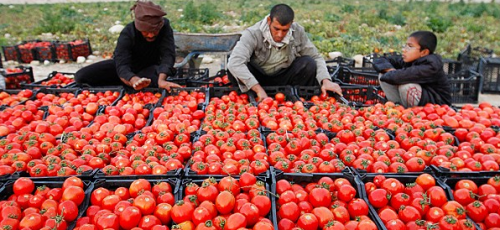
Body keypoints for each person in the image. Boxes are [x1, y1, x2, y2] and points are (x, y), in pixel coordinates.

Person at [227, 4, 342, 100]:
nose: (280, 35)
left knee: (309, 63)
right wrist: (258, 89)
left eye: (285, 30)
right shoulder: (253, 34)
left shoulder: (297, 31)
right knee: (234, 69)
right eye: (276, 29)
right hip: (257, 77)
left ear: (291, 24)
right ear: (269, 21)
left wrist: (325, 80)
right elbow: (235, 63)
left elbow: (316, 57)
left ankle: (295, 97)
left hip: (284, 77)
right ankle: (251, 95)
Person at [75, 0, 181, 91]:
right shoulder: (127, 33)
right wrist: (134, 80)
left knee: (153, 80)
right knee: (82, 76)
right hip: (126, 68)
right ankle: (127, 84)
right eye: (146, 31)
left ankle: (132, 85)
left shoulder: (165, 27)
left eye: (155, 31)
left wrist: (161, 80)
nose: (151, 34)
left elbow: (168, 55)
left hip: (150, 68)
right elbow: (121, 64)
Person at [373, 31, 451, 107]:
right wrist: (390, 71)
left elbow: (399, 77)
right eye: (405, 46)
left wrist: (392, 74)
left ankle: (410, 114)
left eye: (410, 46)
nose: (404, 50)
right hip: (421, 99)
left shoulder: (431, 66)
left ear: (424, 52)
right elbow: (380, 60)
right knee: (383, 74)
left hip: (436, 105)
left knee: (407, 86)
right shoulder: (410, 60)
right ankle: (397, 108)